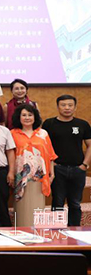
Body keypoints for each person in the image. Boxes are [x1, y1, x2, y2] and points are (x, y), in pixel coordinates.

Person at [43, 95, 91, 226]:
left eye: (70, 105)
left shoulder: (82, 124)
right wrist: (51, 167)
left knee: (75, 203)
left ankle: (74, 231)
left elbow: (90, 145)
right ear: (58, 107)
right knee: (57, 202)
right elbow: (44, 146)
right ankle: (56, 232)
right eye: (63, 105)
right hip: (57, 169)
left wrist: (84, 165)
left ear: (75, 107)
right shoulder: (49, 124)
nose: (67, 108)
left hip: (78, 169)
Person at [12, 104, 57, 227]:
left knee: (37, 208)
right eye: (24, 115)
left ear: (35, 117)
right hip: (20, 178)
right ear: (19, 117)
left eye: (30, 115)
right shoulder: (12, 134)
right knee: (22, 211)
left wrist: (52, 173)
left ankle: (37, 235)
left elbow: (50, 155)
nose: (27, 118)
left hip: (39, 178)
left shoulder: (43, 134)